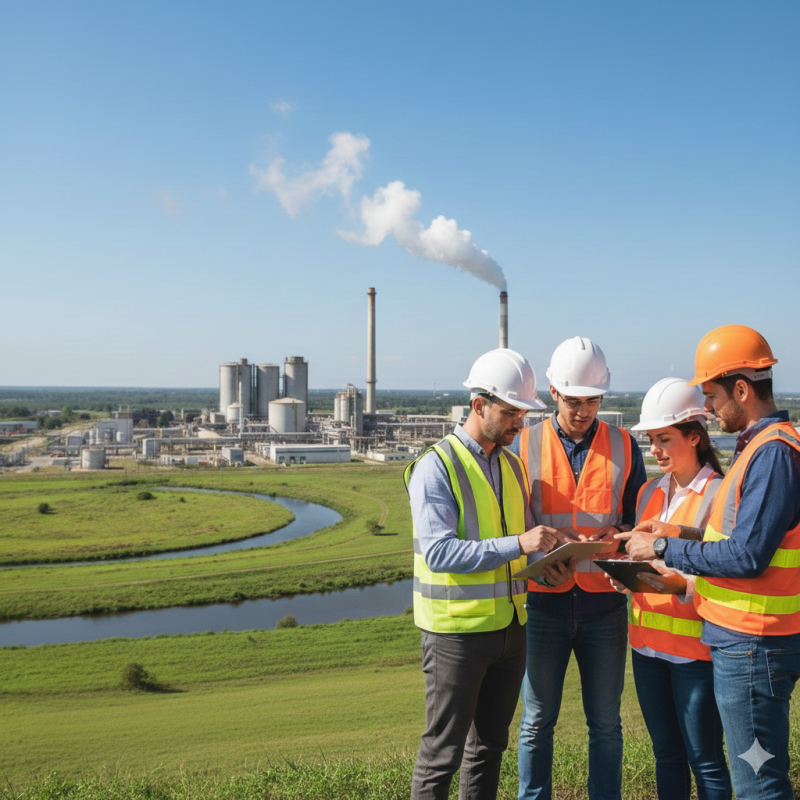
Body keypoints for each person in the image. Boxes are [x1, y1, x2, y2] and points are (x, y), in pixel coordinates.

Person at [623, 325, 800, 800]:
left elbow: (746, 555)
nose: (710, 408)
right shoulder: (757, 451)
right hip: (744, 642)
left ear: (741, 389)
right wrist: (679, 533)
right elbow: (740, 539)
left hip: (754, 645)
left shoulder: (772, 454)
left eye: (712, 396)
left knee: (757, 784)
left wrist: (662, 550)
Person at [405, 348, 575, 800]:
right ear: (479, 406)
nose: (521, 423)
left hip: (511, 628)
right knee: (443, 752)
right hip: (455, 635)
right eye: (511, 412)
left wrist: (546, 564)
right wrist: (521, 544)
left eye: (523, 412)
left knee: (490, 747)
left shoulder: (512, 465)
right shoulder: (435, 467)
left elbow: (512, 546)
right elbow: (439, 552)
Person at [513, 336, 647, 800]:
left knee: (606, 724)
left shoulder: (626, 446)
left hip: (605, 606)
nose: (584, 410)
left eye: (593, 400)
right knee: (536, 722)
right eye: (574, 401)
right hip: (543, 605)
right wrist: (541, 552)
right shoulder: (523, 444)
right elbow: (516, 523)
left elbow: (637, 522)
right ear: (553, 393)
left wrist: (618, 545)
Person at [610, 378, 731, 800]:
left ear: (694, 436)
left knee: (707, 760)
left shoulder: (720, 496)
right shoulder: (649, 492)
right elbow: (646, 558)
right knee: (666, 755)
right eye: (651, 439)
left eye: (665, 438)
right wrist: (626, 573)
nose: (655, 449)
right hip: (646, 650)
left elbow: (726, 572)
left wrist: (675, 583)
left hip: (697, 654)